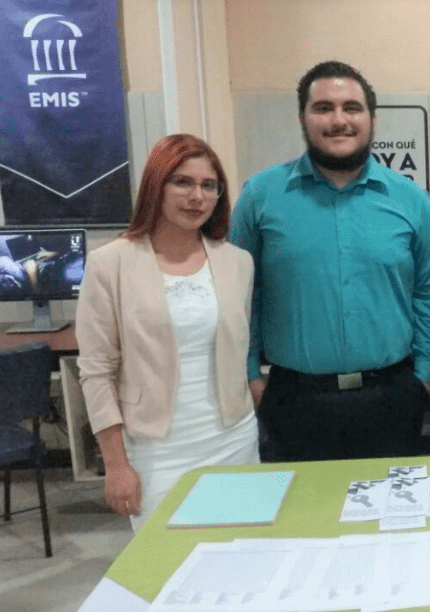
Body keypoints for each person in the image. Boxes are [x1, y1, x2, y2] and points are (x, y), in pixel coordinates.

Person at [229, 61, 430, 461]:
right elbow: (240, 296)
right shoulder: (260, 196)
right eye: (323, 108)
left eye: (352, 108)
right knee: (302, 505)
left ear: (372, 119)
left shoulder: (411, 201)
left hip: (393, 400)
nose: (339, 120)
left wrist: (424, 380)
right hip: (294, 403)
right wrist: (251, 379)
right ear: (302, 117)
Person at [76, 134, 258, 531]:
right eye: (183, 182)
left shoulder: (238, 262)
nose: (197, 196)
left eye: (209, 185)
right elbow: (96, 372)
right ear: (155, 185)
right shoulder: (110, 264)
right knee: (166, 557)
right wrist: (116, 464)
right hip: (156, 449)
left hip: (233, 438)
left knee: (240, 548)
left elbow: (240, 347)